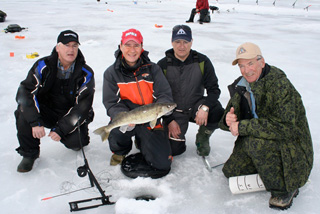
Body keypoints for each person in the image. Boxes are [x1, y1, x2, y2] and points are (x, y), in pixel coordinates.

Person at [219, 42, 313, 210]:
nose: (246, 70)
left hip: (292, 149)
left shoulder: (280, 85)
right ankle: (266, 168)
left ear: (261, 62)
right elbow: (228, 121)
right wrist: (229, 120)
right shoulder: (241, 85)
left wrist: (243, 127)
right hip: (261, 143)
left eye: (250, 63)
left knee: (255, 143)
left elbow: (286, 128)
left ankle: (286, 188)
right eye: (241, 66)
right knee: (231, 172)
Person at [15, 30, 95, 173]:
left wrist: (61, 129)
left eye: (75, 46)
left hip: (69, 114)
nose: (71, 49)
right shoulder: (42, 65)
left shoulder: (85, 73)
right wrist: (35, 121)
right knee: (23, 112)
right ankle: (29, 154)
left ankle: (76, 136)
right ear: (58, 47)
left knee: (77, 143)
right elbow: (25, 93)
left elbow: (83, 107)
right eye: (67, 45)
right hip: (45, 111)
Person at [102, 28, 173, 178]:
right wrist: (124, 116)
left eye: (136, 45)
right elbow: (111, 102)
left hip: (149, 119)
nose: (132, 50)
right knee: (116, 128)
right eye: (128, 45)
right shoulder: (111, 73)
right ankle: (120, 151)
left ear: (142, 47)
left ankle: (142, 142)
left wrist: (165, 106)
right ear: (121, 46)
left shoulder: (153, 69)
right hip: (129, 115)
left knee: (162, 163)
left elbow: (164, 94)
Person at [158, 25, 224, 157]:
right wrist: (169, 119)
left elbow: (214, 89)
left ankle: (203, 137)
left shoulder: (202, 61)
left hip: (196, 106)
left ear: (191, 42)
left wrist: (204, 108)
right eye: (177, 42)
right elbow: (159, 96)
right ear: (172, 42)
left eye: (185, 42)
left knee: (217, 112)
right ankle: (161, 134)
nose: (181, 46)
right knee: (175, 150)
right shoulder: (163, 65)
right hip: (174, 111)